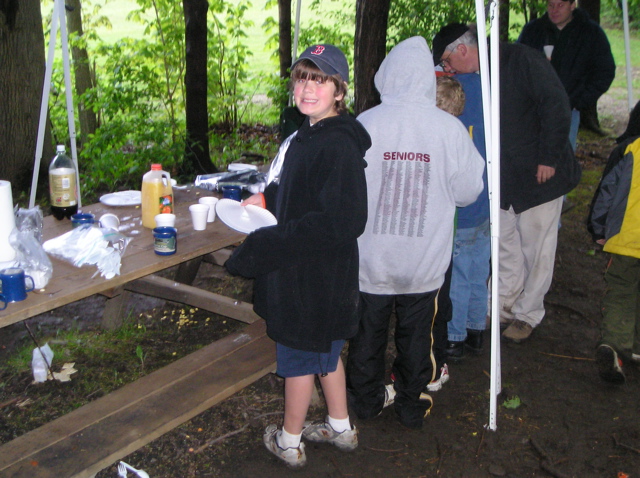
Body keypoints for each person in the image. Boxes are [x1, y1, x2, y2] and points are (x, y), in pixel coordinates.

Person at [224, 44, 371, 469]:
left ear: (339, 90)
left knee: (299, 359)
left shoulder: (337, 146)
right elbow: (304, 188)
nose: (308, 88)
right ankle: (340, 427)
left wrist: (267, 245)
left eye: (320, 79)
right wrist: (267, 195)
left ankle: (288, 440)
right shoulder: (310, 135)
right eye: (302, 78)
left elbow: (342, 220)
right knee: (326, 352)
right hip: (320, 275)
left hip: (311, 277)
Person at [346, 36, 484, 429]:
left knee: (367, 335)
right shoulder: (449, 129)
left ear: (386, 75)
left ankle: (366, 401)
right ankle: (410, 404)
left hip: (372, 257)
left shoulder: (366, 123)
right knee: (416, 338)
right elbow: (468, 190)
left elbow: (349, 186)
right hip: (423, 260)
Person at [432, 23, 582, 343]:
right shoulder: (467, 78)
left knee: (537, 248)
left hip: (541, 175)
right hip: (500, 177)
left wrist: (549, 158)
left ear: (462, 50)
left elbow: (556, 103)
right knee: (504, 245)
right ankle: (502, 303)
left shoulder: (520, 60)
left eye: (446, 61)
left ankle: (529, 313)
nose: (446, 68)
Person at [435, 72, 489, 361]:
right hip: (483, 212)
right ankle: (476, 329)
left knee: (457, 279)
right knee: (478, 273)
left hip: (462, 218)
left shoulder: (446, 136)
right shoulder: (472, 131)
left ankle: (454, 338)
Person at [587, 100, 640, 384]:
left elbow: (606, 192)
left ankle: (615, 350)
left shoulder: (629, 150)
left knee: (621, 292)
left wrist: (597, 228)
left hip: (626, 239)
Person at [518, 0, 615, 143]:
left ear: (572, 5)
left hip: (568, 111)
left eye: (560, 5)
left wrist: (579, 101)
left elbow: (605, 71)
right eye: (551, 5)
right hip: (533, 109)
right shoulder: (533, 30)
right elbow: (517, 63)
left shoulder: (590, 33)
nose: (554, 10)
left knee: (562, 158)